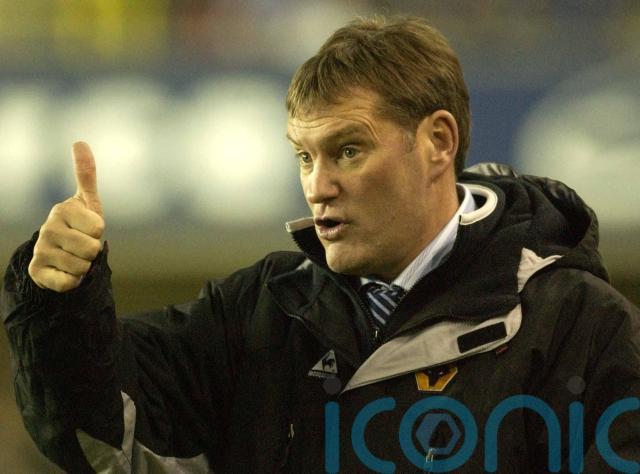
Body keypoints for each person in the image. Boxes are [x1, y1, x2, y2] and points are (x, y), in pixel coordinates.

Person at [2, 15, 639, 473]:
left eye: (348, 150)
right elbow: (101, 438)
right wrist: (61, 299)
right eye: (305, 157)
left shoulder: (581, 327)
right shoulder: (257, 312)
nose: (318, 186)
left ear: (438, 142)